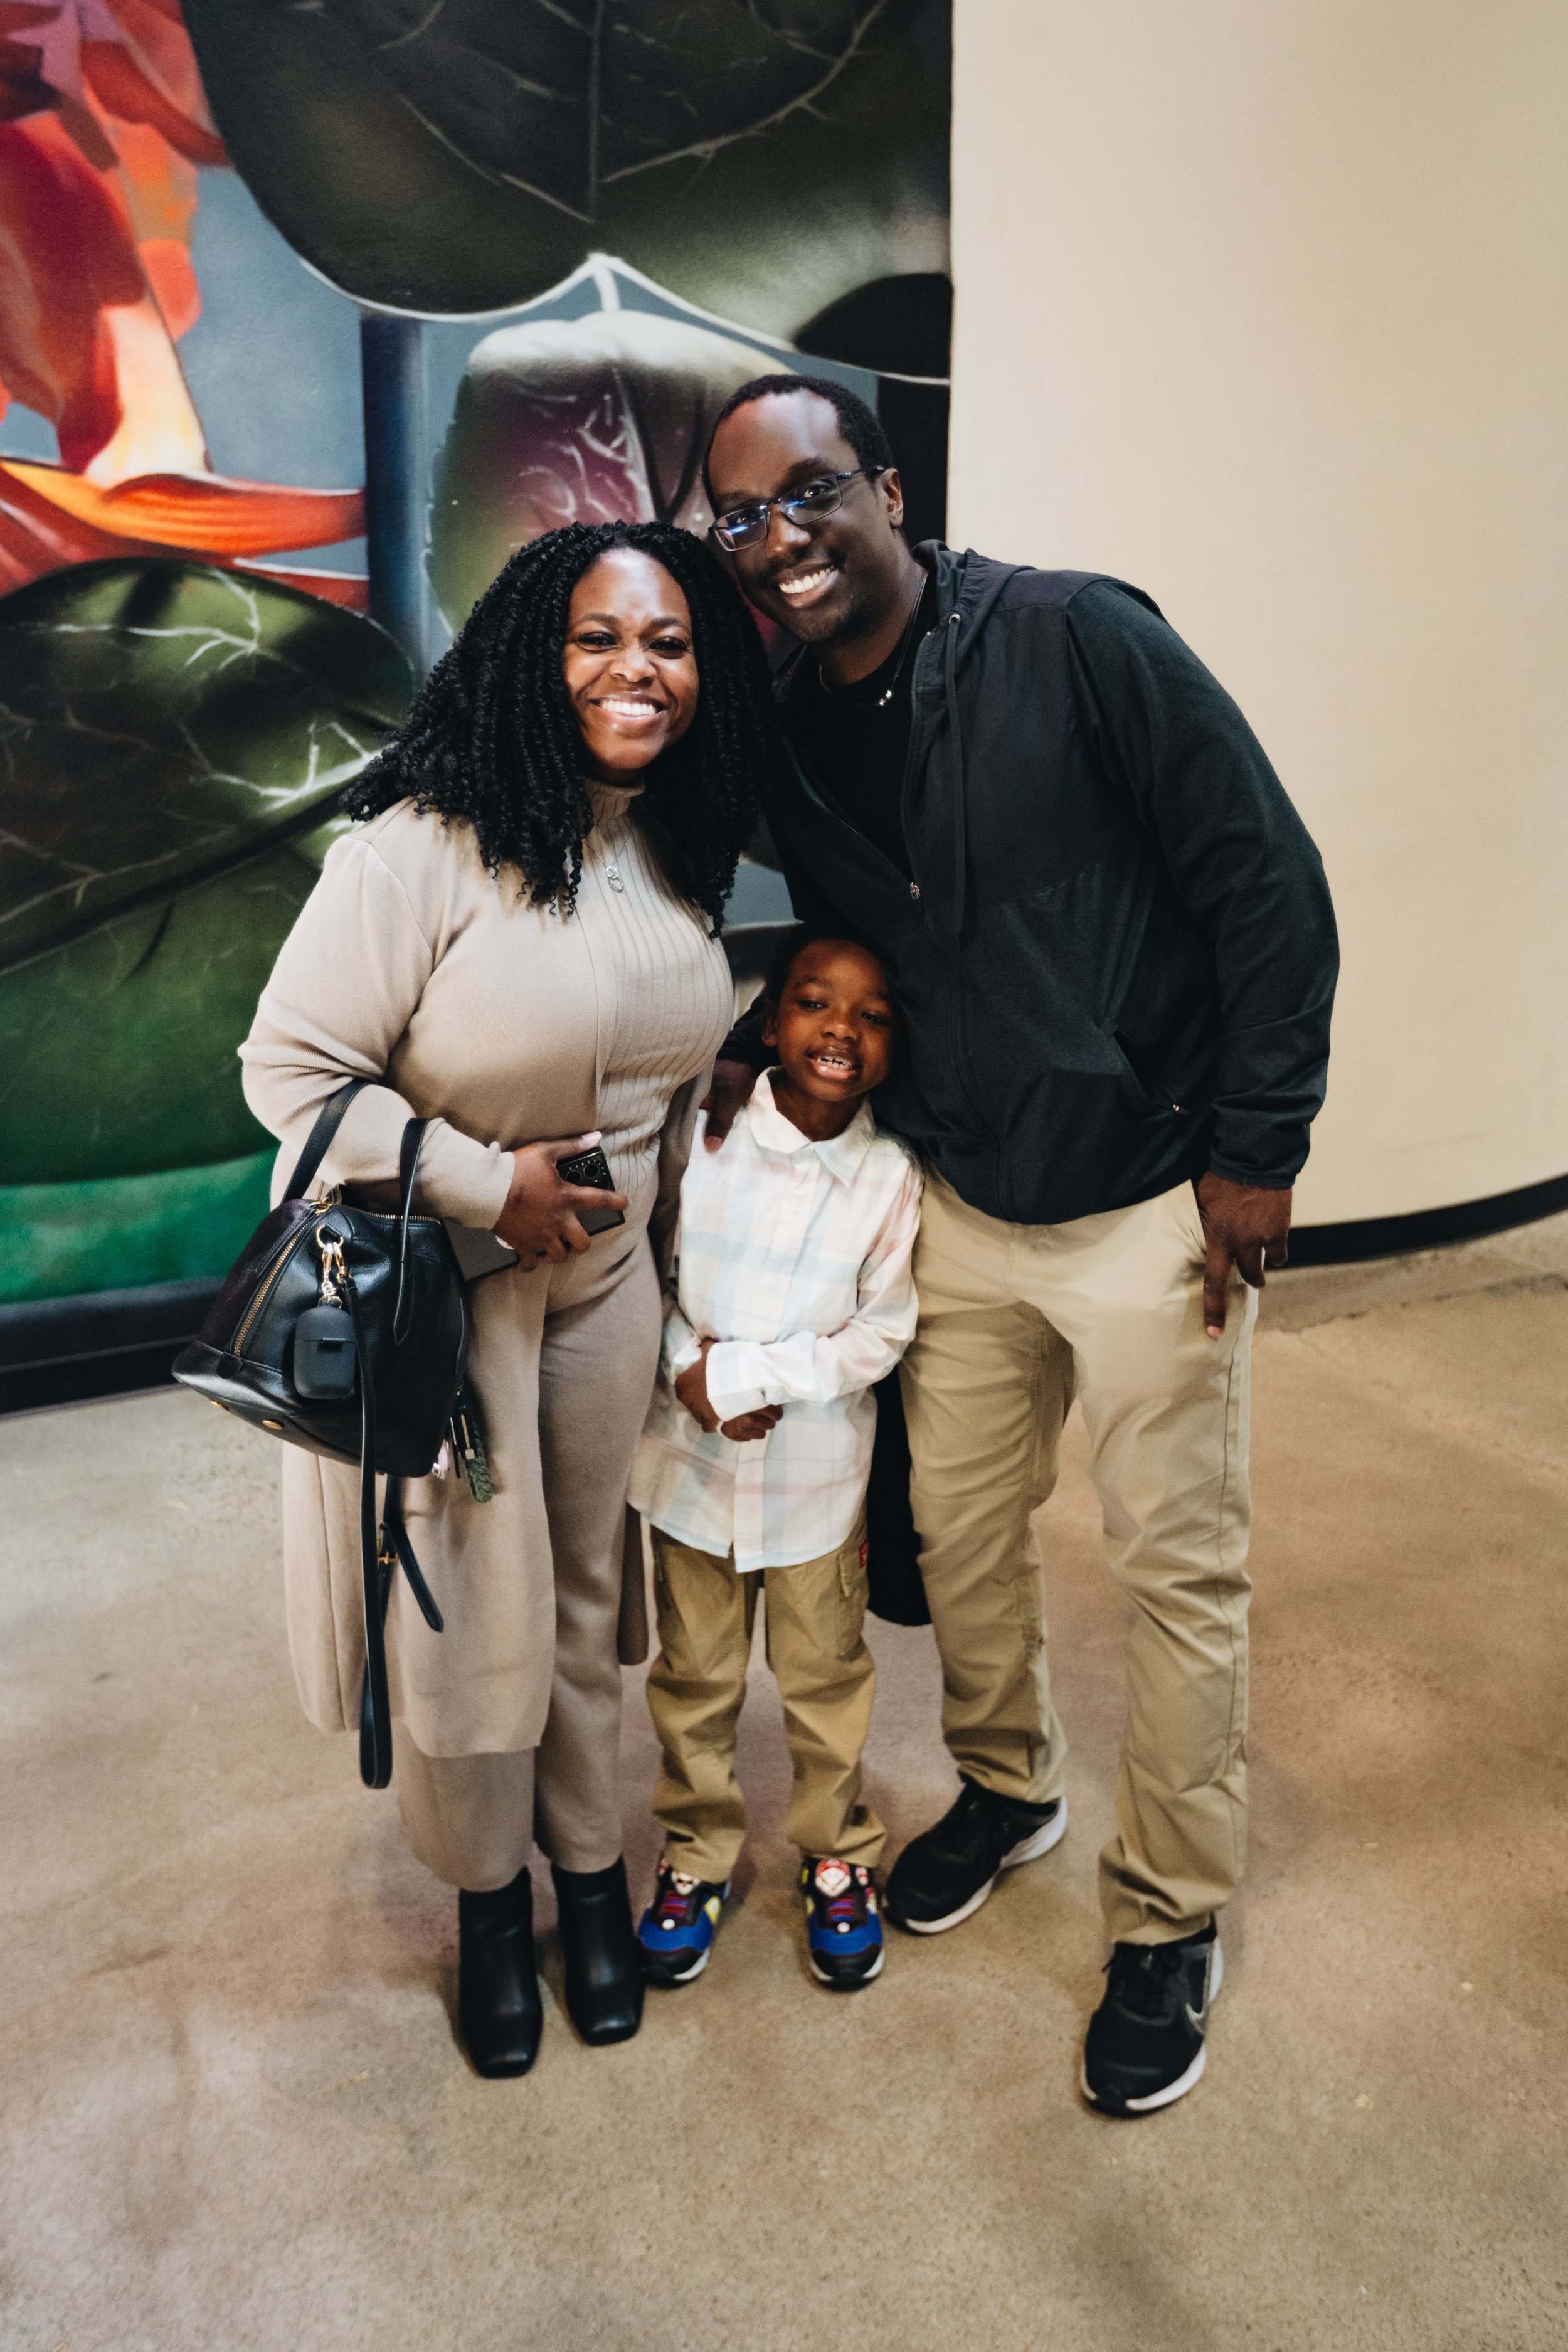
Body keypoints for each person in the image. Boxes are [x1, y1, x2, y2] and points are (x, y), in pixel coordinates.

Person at [699, 375, 1339, 2114]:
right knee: (955, 1531)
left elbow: (1263, 883)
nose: (781, 540)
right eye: (740, 518)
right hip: (958, 1202)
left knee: (1173, 1566)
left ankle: (1168, 1908)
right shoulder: (777, 716)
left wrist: (1254, 1150)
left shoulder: (1076, 637)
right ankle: (1006, 1784)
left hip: (1146, 1197)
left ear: (888, 485)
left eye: (810, 492)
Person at [239, 519, 774, 2079]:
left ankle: (587, 1874)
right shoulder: (416, 847)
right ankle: (488, 1908)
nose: (636, 671)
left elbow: (654, 1080)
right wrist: (490, 1186)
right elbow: (288, 1074)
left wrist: (671, 1246)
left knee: (589, 1603)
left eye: (668, 643)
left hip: (606, 1294)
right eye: (598, 638)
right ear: (535, 655)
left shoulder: (675, 847)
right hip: (444, 1296)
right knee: (473, 1612)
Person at [628, 930, 921, 1992]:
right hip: (689, 1476)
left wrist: (749, 1378)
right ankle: (697, 1852)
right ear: (770, 1022)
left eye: (872, 1014)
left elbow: (879, 1333)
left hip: (814, 1492)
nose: (841, 1027)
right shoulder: (699, 1139)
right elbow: (643, 1280)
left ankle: (838, 1848)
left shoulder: (889, 1178)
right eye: (814, 1002)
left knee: (825, 1677)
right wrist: (688, 1368)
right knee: (695, 1675)